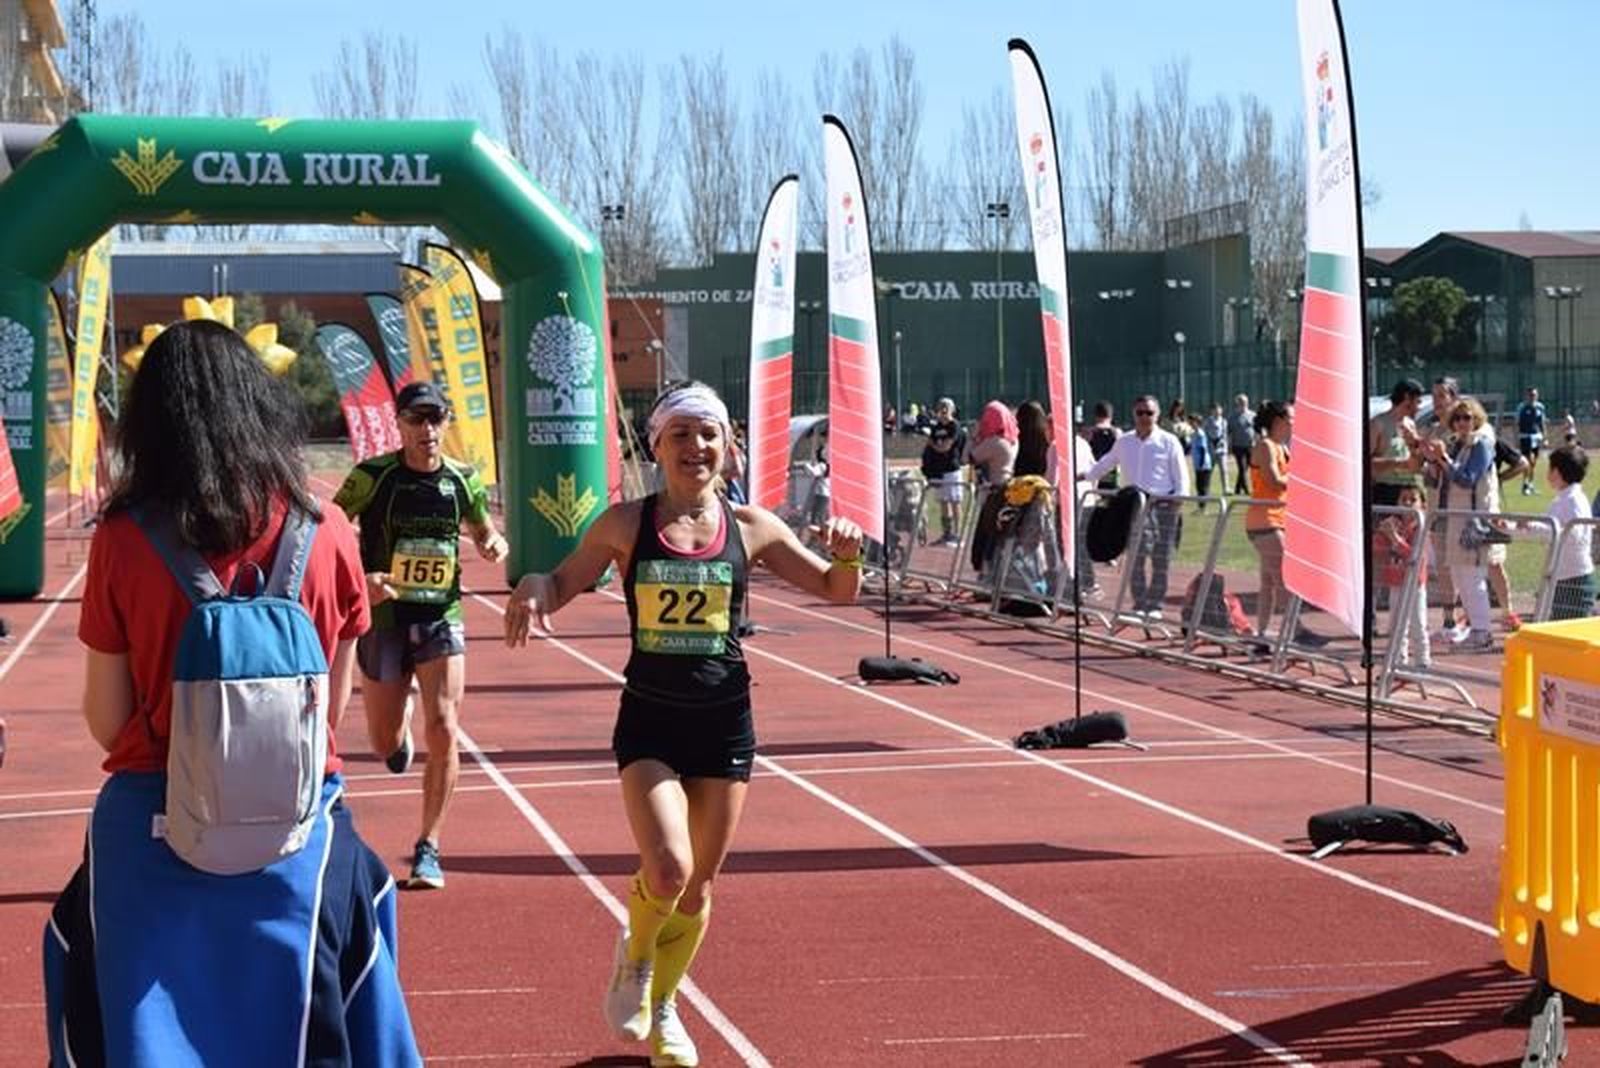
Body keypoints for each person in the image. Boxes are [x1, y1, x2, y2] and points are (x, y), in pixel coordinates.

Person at [50, 320, 418, 1064]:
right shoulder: (330, 530)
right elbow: (332, 712)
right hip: (295, 833)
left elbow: (107, 717)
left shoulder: (123, 538)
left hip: (151, 834)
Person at [503, 381, 863, 1068]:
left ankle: (665, 1006)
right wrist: (532, 588)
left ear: (728, 447)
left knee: (698, 887)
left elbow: (835, 589)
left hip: (725, 724)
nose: (696, 447)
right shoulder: (623, 524)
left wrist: (848, 551)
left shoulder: (753, 527)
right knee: (668, 868)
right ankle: (636, 959)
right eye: (681, 435)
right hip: (651, 722)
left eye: (709, 435)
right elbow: (562, 582)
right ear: (658, 445)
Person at [334, 380, 509, 890]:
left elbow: (481, 529)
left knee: (446, 725)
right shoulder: (373, 477)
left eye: (436, 418)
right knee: (385, 743)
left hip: (440, 615)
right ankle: (398, 725)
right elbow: (329, 529)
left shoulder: (463, 480)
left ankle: (428, 845)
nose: (427, 429)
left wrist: (492, 542)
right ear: (400, 424)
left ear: (447, 422)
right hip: (385, 618)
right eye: (417, 419)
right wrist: (362, 580)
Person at [1083, 394, 1189, 619]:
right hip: (1134, 508)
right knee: (1136, 557)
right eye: (1140, 413)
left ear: (1157, 415)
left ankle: (1156, 605)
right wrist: (1085, 475)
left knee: (1161, 559)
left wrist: (1179, 501)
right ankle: (1140, 603)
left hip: (1163, 506)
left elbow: (1182, 477)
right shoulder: (1124, 441)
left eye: (1149, 413)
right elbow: (1106, 462)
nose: (1144, 417)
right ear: (1133, 414)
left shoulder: (1169, 441)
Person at [1423, 396, 1503, 652]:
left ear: (1476, 418)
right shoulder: (1457, 445)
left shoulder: (1481, 444)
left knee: (1472, 575)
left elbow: (1467, 479)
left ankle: (1483, 632)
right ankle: (1474, 628)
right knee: (1459, 573)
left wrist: (1444, 458)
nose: (1461, 423)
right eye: (1456, 418)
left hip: (1474, 519)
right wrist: (1433, 461)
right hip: (1454, 516)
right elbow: (1439, 481)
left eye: (1466, 417)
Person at [1523, 444, 1595, 620]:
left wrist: (1532, 526)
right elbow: (1547, 528)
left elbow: (1572, 534)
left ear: (1558, 471)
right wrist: (1513, 526)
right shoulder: (1562, 499)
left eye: (1550, 468)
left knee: (1571, 636)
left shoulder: (1573, 500)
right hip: (1561, 576)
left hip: (1574, 579)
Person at [1245, 401, 1293, 639]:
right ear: (1278, 420)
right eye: (1291, 418)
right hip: (1264, 521)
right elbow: (1273, 479)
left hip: (1279, 519)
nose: (1295, 422)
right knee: (1286, 578)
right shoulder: (1266, 446)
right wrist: (1300, 477)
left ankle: (1262, 633)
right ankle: (1296, 631)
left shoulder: (1284, 447)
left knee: (1268, 582)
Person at [1374, 482, 1431, 671]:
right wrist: (1381, 533)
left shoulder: (1420, 527)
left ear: (1422, 504)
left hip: (1414, 584)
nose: (1407, 503)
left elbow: (1413, 555)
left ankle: (1423, 662)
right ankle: (1398, 661)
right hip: (1395, 581)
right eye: (1403, 499)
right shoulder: (1393, 523)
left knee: (1417, 623)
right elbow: (1378, 547)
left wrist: (1395, 539)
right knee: (1396, 624)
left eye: (1412, 499)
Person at [1369, 378, 1424, 507]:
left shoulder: (1410, 424)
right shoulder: (1378, 424)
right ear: (1407, 398)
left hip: (1409, 493)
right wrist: (1399, 463)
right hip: (1385, 492)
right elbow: (1366, 464)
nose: (1419, 407)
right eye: (1417, 401)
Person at [920, 397, 967, 546]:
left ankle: (958, 534)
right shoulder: (936, 427)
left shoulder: (955, 427)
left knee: (955, 502)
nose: (942, 411)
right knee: (943, 503)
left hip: (952, 470)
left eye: (945, 408)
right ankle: (947, 534)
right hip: (940, 471)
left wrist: (931, 443)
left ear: (951, 410)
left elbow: (945, 447)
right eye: (940, 408)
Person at [966, 400, 1019, 487]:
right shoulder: (1013, 439)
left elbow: (967, 459)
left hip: (993, 488)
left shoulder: (994, 442)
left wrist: (971, 438)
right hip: (1008, 484)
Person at [1516, 387, 1547, 496]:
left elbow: (1542, 422)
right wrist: (1517, 438)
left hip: (1536, 436)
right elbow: (1517, 424)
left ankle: (1531, 484)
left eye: (1534, 395)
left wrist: (1545, 437)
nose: (1532, 397)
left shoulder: (1540, 407)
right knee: (1528, 460)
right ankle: (1525, 485)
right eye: (1530, 395)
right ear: (1526, 396)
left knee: (1533, 463)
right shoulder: (1521, 407)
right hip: (1525, 436)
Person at [1087, 401, 1121, 492]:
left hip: (1095, 475)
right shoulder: (1117, 432)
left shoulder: (1090, 432)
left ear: (1095, 415)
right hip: (1113, 476)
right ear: (1110, 416)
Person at [1226, 393, 1256, 495]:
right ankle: (1247, 490)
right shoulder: (1232, 417)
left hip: (1250, 446)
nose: (1243, 404)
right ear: (1237, 403)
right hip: (1237, 446)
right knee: (1242, 468)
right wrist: (1228, 445)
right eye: (1241, 402)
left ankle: (1237, 489)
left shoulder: (1252, 415)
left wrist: (1255, 441)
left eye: (1245, 402)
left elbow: (1256, 430)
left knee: (1245, 468)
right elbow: (1228, 432)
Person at [1190, 415, 1215, 509]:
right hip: (1198, 464)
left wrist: (1201, 463)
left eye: (1193, 421)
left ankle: (1203, 507)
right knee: (1199, 486)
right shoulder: (1194, 434)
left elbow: (1203, 449)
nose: (1191, 424)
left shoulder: (1200, 434)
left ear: (1197, 422)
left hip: (1203, 464)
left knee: (1203, 486)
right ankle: (1201, 506)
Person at [1203, 403, 1228, 490]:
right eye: (1216, 410)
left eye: (1219, 409)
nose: (1217, 411)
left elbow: (1225, 435)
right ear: (1212, 411)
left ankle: (1226, 488)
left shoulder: (1224, 421)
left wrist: (1223, 444)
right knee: (1209, 470)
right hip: (1211, 449)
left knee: (1224, 470)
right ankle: (1206, 488)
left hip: (1221, 449)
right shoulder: (1208, 421)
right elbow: (1205, 434)